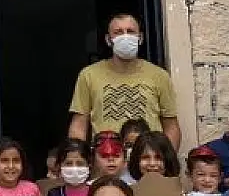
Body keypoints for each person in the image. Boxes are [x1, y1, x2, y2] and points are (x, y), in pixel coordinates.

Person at [68, 13, 181, 148]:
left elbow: (171, 126)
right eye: (118, 32)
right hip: (107, 158)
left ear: (140, 38)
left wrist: (167, 161)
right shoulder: (88, 75)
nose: (125, 36)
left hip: (148, 160)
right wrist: (79, 157)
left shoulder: (159, 75)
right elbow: (79, 125)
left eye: (131, 31)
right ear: (108, 40)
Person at [119, 118, 151, 185]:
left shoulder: (152, 168)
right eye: (129, 145)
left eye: (137, 145)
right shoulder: (117, 171)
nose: (133, 150)